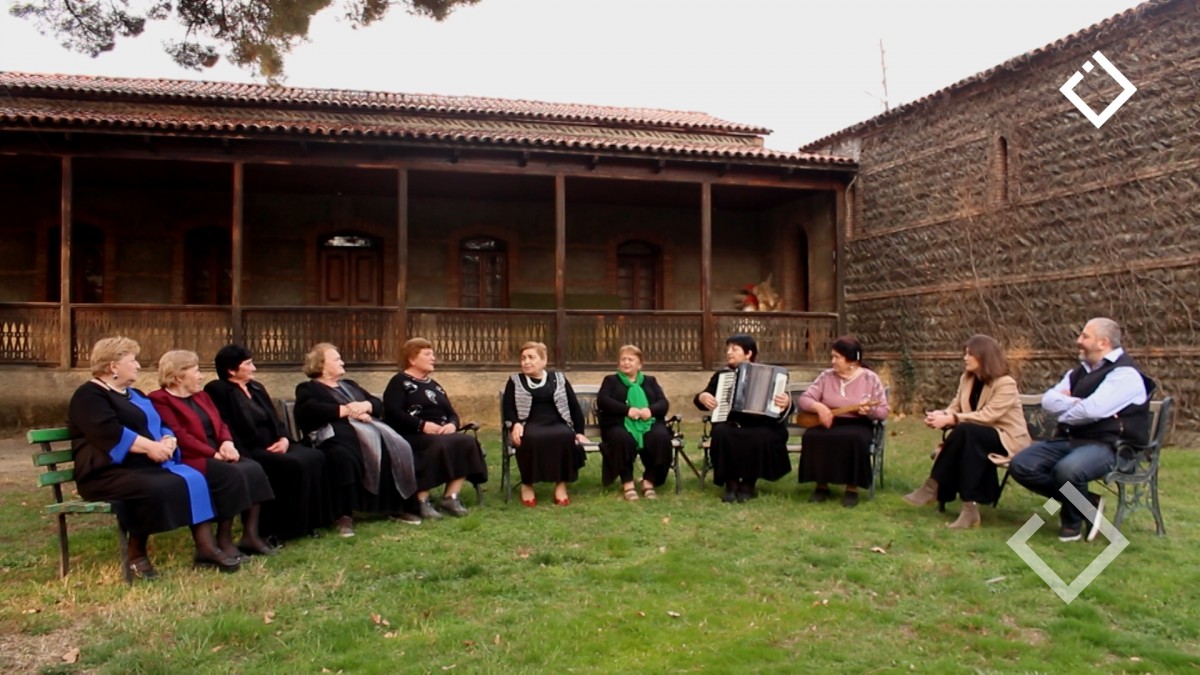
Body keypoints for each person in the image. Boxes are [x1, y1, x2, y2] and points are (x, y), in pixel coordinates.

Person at [68, 337, 239, 578]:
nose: (138, 366)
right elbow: (109, 432)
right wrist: (150, 447)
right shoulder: (89, 396)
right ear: (113, 366)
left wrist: (168, 439)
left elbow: (161, 423)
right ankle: (136, 554)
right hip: (105, 473)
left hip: (142, 466)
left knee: (194, 477)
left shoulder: (134, 394)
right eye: (132, 361)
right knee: (156, 487)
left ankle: (206, 548)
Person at [1008, 318, 1155, 542]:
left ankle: (1072, 525)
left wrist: (1068, 409)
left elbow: (1093, 410)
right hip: (1074, 439)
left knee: (1067, 470)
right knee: (1022, 465)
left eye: (1085, 336)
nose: (1078, 340)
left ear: (1103, 343)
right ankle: (1088, 504)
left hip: (1112, 446)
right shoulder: (1078, 372)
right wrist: (1079, 404)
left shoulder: (1125, 374)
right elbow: (1048, 401)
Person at [148, 350, 278, 560]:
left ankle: (250, 535)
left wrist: (227, 442)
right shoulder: (160, 400)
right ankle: (224, 540)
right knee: (231, 475)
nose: (201, 376)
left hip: (217, 451)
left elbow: (220, 424)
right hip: (191, 457)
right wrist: (213, 453)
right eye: (196, 371)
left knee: (253, 469)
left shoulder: (202, 396)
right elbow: (180, 435)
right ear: (179, 376)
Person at [204, 344, 333, 542]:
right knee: (292, 465)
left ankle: (307, 522)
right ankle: (277, 528)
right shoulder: (218, 390)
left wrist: (283, 439)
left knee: (315, 457)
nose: (254, 368)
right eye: (248, 364)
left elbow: (275, 418)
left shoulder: (256, 388)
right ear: (231, 370)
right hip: (249, 448)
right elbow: (224, 424)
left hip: (275, 443)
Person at [902, 334, 1031, 528]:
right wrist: (941, 415)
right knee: (969, 442)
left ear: (984, 356)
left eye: (970, 354)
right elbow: (956, 406)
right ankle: (969, 509)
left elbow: (989, 415)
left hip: (1006, 438)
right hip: (976, 437)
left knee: (966, 433)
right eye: (965, 353)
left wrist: (952, 419)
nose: (965, 358)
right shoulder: (967, 379)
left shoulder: (1005, 383)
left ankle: (934, 486)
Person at [294, 343, 420, 536]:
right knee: (343, 456)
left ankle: (395, 507)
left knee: (396, 447)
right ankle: (343, 515)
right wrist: (346, 410)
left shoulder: (350, 385)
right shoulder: (308, 388)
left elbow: (377, 404)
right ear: (321, 364)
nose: (342, 362)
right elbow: (307, 411)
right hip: (333, 435)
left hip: (367, 431)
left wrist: (365, 406)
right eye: (337, 359)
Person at [383, 338, 488, 519]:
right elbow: (393, 412)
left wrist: (452, 425)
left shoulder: (434, 385)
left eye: (432, 354)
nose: (433, 358)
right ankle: (422, 500)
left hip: (440, 433)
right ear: (412, 359)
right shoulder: (399, 383)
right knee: (438, 445)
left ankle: (451, 497)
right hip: (410, 435)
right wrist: (422, 425)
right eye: (427, 354)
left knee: (466, 442)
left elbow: (452, 413)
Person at [694, 334, 792, 503]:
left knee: (761, 436)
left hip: (761, 425)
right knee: (722, 433)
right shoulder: (723, 375)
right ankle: (731, 485)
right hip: (732, 424)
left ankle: (748, 485)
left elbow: (786, 408)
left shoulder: (772, 376)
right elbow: (704, 397)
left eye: (734, 349)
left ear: (748, 354)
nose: (729, 352)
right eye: (728, 349)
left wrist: (786, 402)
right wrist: (702, 397)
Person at [796, 336, 889, 508]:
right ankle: (821, 486)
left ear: (851, 360)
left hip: (858, 423)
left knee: (854, 439)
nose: (832, 361)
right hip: (830, 420)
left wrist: (870, 411)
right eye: (832, 356)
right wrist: (818, 407)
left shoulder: (870, 379)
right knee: (813, 436)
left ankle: (851, 488)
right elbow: (804, 399)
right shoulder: (826, 377)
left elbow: (883, 411)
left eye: (837, 357)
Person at [502, 341, 589, 507]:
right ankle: (527, 484)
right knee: (530, 438)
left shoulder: (559, 379)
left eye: (531, 357)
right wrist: (515, 424)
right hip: (529, 423)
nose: (526, 362)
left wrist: (579, 432)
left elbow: (574, 407)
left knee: (565, 436)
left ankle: (561, 485)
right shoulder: (515, 380)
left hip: (557, 422)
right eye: (523, 358)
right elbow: (508, 408)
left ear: (544, 360)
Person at [597, 344, 674, 501]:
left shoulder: (650, 381)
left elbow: (663, 403)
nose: (626, 362)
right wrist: (627, 411)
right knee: (622, 439)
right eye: (623, 359)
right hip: (619, 423)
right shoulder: (611, 380)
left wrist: (650, 410)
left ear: (640, 364)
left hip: (648, 423)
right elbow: (603, 401)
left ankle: (649, 481)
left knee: (660, 437)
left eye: (630, 359)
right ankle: (628, 483)